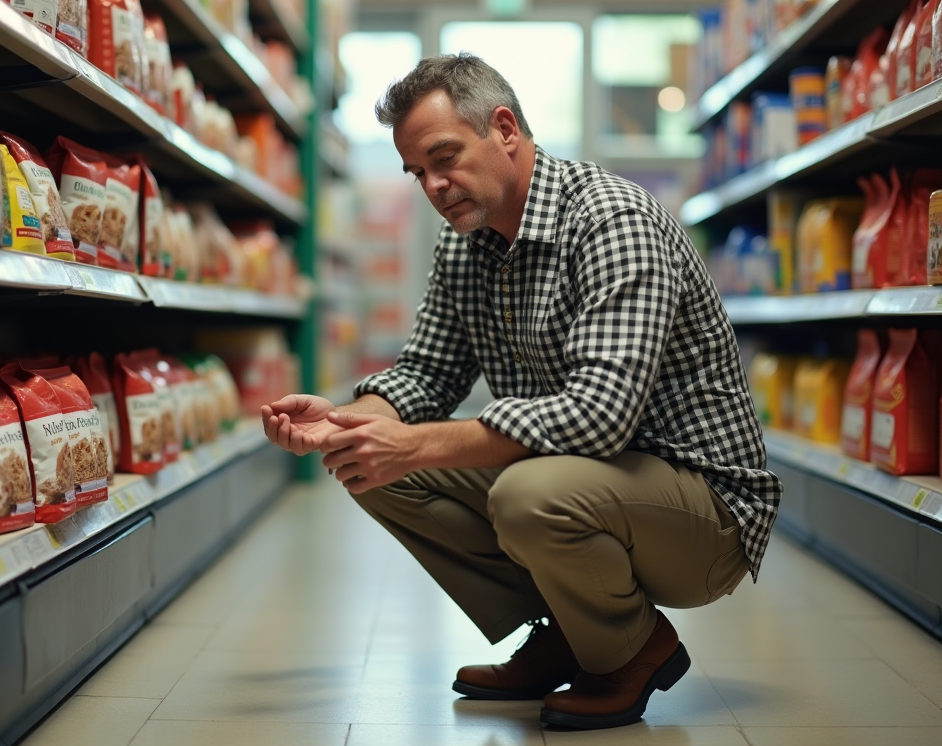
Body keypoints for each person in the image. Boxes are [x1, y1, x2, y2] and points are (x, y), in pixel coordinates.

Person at [261, 53, 780, 731]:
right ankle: (573, 628)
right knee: (373, 467)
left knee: (526, 493)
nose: (435, 185)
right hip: (596, 486)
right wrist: (351, 422)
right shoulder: (469, 244)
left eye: (445, 157)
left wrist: (411, 442)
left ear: (504, 128)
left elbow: (599, 418)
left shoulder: (611, 222)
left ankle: (633, 649)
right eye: (418, 172)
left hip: (704, 512)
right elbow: (427, 371)